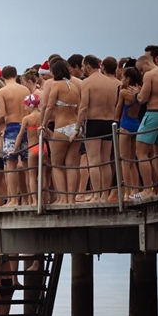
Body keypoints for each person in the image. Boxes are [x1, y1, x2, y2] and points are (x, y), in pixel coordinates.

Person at [74, 55, 119, 203]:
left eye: (82, 66)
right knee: (105, 161)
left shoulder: (87, 82)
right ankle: (104, 195)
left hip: (93, 122)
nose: (82, 69)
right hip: (109, 122)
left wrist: (77, 127)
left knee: (93, 161)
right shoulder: (111, 83)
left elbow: (84, 107)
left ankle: (95, 195)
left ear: (87, 66)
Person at [129, 55, 158, 199]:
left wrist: (137, 94)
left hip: (152, 114)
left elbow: (143, 98)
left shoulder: (149, 74)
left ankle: (147, 190)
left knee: (141, 152)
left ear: (147, 63)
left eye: (141, 69)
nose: (141, 73)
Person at [43, 59, 81, 204]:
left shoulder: (56, 85)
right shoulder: (74, 87)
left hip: (62, 127)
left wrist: (43, 124)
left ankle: (62, 198)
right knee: (71, 165)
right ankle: (71, 198)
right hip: (75, 126)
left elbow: (49, 107)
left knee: (57, 164)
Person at [0, 66, 31, 206]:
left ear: (3, 77)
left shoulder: (1, 91)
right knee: (27, 165)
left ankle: (14, 199)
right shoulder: (25, 90)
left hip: (12, 128)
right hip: (26, 126)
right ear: (16, 75)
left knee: (11, 165)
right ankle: (29, 199)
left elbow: (2, 114)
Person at [113, 67, 143, 199]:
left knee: (124, 161)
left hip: (125, 125)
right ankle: (135, 191)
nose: (121, 79)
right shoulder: (140, 91)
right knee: (133, 161)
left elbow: (117, 111)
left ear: (128, 79)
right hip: (136, 124)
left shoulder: (124, 93)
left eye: (123, 77)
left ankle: (127, 192)